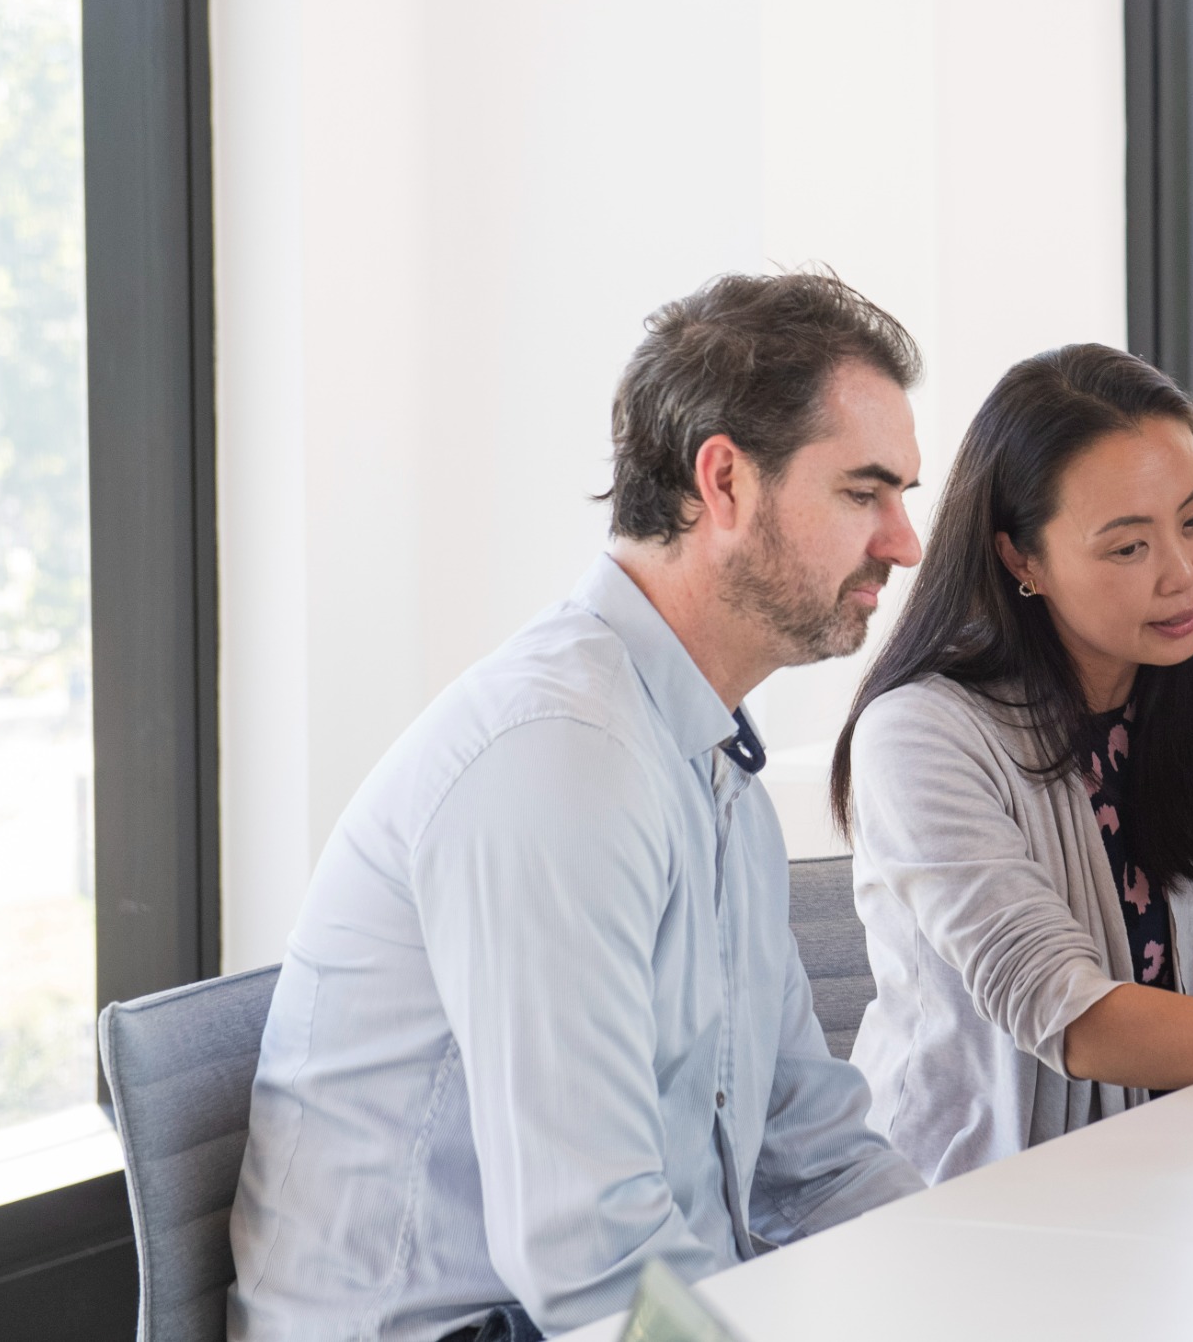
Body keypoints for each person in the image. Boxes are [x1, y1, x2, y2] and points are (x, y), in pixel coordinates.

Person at [229, 273, 930, 1342]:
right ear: (725, 480)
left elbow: (813, 1154)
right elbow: (596, 1264)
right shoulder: (559, 759)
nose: (904, 540)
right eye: (863, 492)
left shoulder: (708, 765)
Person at [833, 344, 1193, 1182]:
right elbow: (1073, 1017)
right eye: (1128, 548)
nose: (1184, 574)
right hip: (972, 1206)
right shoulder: (920, 735)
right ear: (1022, 560)